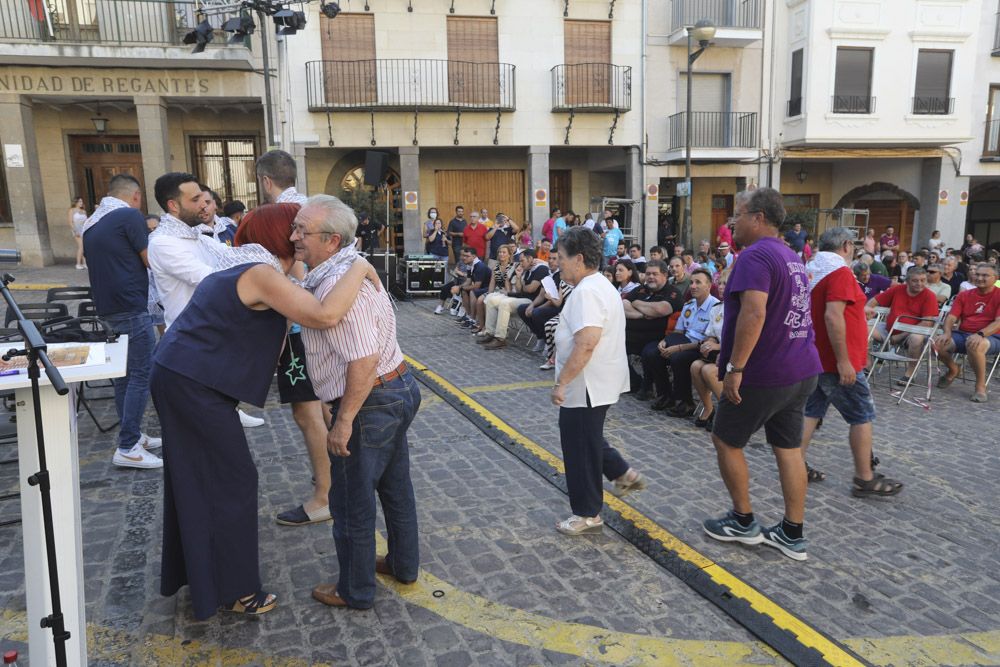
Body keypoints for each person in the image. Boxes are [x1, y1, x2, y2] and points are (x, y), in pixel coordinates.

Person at [150, 202, 376, 620]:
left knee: (200, 479)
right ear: (276, 235)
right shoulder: (260, 274)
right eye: (293, 230)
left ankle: (203, 577)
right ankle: (236, 590)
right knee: (233, 480)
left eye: (301, 230)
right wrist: (360, 266)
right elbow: (325, 315)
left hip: (186, 376)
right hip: (192, 383)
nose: (297, 238)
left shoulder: (254, 269)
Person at [292, 195, 422, 610]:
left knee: (351, 500)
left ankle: (355, 589)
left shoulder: (336, 283)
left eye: (302, 231)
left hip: (372, 400)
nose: (294, 237)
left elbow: (362, 359)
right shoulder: (345, 269)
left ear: (331, 240)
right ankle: (403, 565)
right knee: (395, 486)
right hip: (394, 389)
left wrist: (344, 418)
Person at [702, 187, 822, 562]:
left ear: (758, 218)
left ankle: (743, 520)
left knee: (726, 439)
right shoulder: (790, 255)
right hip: (802, 368)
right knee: (788, 449)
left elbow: (754, 313)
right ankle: (792, 532)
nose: (731, 222)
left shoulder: (754, 256)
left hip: (766, 371)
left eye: (737, 214)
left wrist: (735, 368)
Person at [256, 150, 336, 523]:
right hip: (310, 325)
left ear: (266, 181)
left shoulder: (288, 216)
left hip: (301, 327)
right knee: (320, 408)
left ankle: (325, 495)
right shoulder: (313, 208)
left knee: (308, 413)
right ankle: (331, 476)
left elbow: (305, 278)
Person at [550, 226, 645, 535]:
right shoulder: (599, 285)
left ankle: (587, 512)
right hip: (600, 380)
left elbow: (586, 342)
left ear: (579, 259)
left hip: (586, 383)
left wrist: (562, 382)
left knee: (578, 446)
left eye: (562, 258)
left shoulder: (587, 292)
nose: (558, 263)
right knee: (587, 436)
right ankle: (622, 473)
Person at [800, 228, 903, 497]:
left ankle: (794, 464)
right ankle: (864, 478)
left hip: (817, 356)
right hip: (836, 361)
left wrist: (860, 308)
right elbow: (833, 316)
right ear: (846, 245)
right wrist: (845, 361)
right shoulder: (840, 272)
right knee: (861, 415)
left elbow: (830, 308)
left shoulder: (814, 270)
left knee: (811, 412)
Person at [82, 174, 161, 469]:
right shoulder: (128, 215)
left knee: (123, 377)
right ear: (136, 196)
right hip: (131, 306)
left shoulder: (92, 224)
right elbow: (150, 260)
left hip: (108, 309)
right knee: (141, 374)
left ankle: (135, 435)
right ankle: (128, 445)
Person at [647, 268, 719, 415]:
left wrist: (678, 348)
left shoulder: (715, 307)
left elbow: (708, 340)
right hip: (682, 341)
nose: (692, 286)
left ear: (708, 286)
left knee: (678, 358)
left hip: (701, 347)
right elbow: (679, 331)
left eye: (698, 282)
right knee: (652, 352)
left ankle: (685, 402)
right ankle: (665, 395)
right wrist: (665, 341)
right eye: (691, 282)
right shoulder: (689, 305)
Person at [934, 263, 1000, 402]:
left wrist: (981, 334)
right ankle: (953, 369)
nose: (980, 278)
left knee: (975, 344)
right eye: (978, 274)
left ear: (995, 278)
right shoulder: (964, 295)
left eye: (985, 275)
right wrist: (946, 332)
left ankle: (980, 386)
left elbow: (998, 322)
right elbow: (952, 317)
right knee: (937, 343)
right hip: (964, 333)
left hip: (992, 336)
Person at [623, 259, 685, 397]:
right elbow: (623, 305)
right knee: (611, 344)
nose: (650, 277)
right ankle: (634, 381)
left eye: (655, 274)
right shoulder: (640, 289)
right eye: (648, 273)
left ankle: (649, 386)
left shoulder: (672, 292)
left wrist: (636, 302)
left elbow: (661, 309)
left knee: (649, 352)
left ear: (664, 274)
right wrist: (642, 315)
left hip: (658, 337)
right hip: (632, 335)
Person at [866, 267, 939, 385]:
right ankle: (867, 365)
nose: (919, 284)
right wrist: (867, 310)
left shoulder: (929, 295)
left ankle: (910, 374)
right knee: (862, 328)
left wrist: (900, 336)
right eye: (915, 280)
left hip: (913, 333)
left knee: (916, 337)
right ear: (908, 281)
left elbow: (927, 322)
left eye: (922, 280)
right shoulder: (898, 289)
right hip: (889, 330)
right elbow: (873, 301)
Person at [479, 248, 548, 349]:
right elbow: (520, 289)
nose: (520, 263)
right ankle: (491, 333)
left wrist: (523, 286)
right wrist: (519, 277)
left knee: (505, 303)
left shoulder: (541, 269)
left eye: (522, 260)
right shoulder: (527, 269)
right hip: (522, 297)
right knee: (491, 299)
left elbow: (531, 289)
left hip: (532, 301)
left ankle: (500, 339)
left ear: (530, 259)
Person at [690, 269, 730, 431]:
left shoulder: (740, 308)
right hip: (719, 352)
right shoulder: (717, 308)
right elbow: (712, 334)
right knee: (695, 366)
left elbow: (741, 338)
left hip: (735, 354)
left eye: (725, 284)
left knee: (708, 370)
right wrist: (710, 343)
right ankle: (709, 408)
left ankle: (728, 412)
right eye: (719, 283)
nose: (720, 287)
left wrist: (719, 346)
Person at [473, 244, 516, 334]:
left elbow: (512, 284)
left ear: (509, 254)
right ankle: (482, 326)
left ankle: (490, 328)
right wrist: (489, 293)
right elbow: (492, 282)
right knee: (480, 300)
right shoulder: (496, 267)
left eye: (504, 252)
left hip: (507, 291)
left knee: (487, 301)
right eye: (500, 252)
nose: (501, 254)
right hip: (497, 290)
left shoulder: (513, 266)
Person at [69, 196, 88, 269]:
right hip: (76, 230)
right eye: (79, 201)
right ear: (76, 202)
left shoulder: (84, 211)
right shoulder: (72, 210)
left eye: (82, 201)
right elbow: (70, 222)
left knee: (85, 247)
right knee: (81, 246)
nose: (81, 203)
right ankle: (78, 264)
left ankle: (85, 263)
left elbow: (86, 221)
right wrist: (75, 231)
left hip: (84, 229)